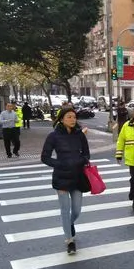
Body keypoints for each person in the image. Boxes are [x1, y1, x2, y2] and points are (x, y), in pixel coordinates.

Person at [41, 107, 90, 255]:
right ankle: (69, 240)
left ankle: (69, 225)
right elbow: (45, 157)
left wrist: (81, 161)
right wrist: (61, 164)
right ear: (61, 119)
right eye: (69, 117)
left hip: (77, 176)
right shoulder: (53, 136)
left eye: (74, 117)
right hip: (61, 177)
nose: (72, 120)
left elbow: (86, 154)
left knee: (76, 210)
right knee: (65, 210)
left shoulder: (80, 135)